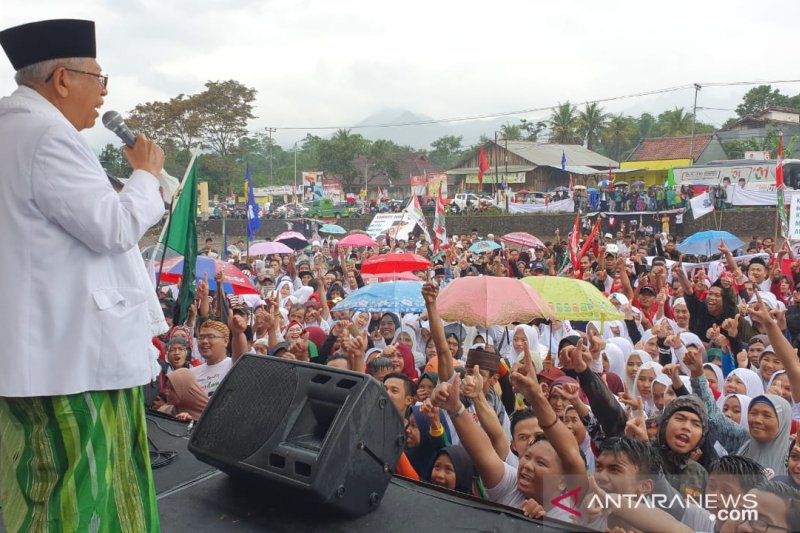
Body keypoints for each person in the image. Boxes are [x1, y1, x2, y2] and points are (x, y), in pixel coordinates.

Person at [0, 19, 170, 532]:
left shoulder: (13, 129)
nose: (104, 94)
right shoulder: (47, 134)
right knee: (82, 494)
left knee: (32, 486)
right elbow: (114, 229)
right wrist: (144, 173)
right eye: (99, 78)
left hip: (37, 353)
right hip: (71, 360)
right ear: (62, 79)